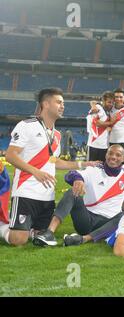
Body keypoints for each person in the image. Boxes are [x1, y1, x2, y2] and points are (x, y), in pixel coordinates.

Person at [0, 88, 95, 246]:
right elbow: (10, 155)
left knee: (39, 235)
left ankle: (22, 224)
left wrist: (82, 164)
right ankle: (3, 225)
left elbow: (54, 161)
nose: (62, 106)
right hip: (26, 192)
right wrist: (35, 171)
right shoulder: (26, 126)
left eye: (63, 103)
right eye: (58, 102)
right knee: (19, 240)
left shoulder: (57, 134)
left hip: (47, 196)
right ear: (45, 104)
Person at [33, 145, 124, 247]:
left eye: (118, 155)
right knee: (72, 192)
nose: (113, 157)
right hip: (86, 220)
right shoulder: (94, 169)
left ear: (123, 159)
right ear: (106, 155)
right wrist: (78, 179)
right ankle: (49, 233)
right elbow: (69, 175)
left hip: (109, 223)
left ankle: (83, 239)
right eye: (110, 153)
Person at [86, 91, 115, 162]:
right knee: (91, 168)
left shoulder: (109, 112)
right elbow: (97, 123)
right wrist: (111, 122)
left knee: (102, 169)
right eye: (109, 102)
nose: (111, 104)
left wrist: (109, 127)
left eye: (112, 102)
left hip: (104, 146)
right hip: (94, 144)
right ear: (103, 101)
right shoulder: (98, 108)